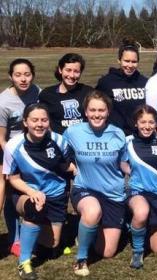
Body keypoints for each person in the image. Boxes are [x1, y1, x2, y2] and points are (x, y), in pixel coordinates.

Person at [4, 104, 73, 280]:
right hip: (26, 193)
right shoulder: (13, 145)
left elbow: (66, 166)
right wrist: (31, 191)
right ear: (25, 122)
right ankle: (24, 262)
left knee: (51, 248)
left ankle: (34, 237)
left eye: (44, 120)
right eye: (34, 120)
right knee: (35, 208)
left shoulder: (59, 141)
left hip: (55, 196)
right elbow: (12, 178)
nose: (39, 124)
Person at [64, 91, 128, 276]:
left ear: (108, 112)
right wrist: (71, 168)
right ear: (85, 111)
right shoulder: (73, 131)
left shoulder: (118, 134)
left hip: (113, 194)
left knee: (106, 252)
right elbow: (59, 152)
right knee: (92, 211)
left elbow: (123, 163)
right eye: (92, 110)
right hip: (85, 188)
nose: (97, 114)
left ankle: (86, 232)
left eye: (101, 110)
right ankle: (81, 258)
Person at [0, 58, 41, 257]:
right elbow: (1, 138)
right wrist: (15, 157)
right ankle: (14, 239)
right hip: (8, 152)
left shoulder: (37, 93)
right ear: (11, 77)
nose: (23, 79)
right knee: (9, 193)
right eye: (18, 75)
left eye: (27, 74)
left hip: (33, 150)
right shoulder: (3, 101)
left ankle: (35, 232)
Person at [123, 105, 157, 269]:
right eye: (143, 122)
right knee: (141, 212)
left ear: (156, 123)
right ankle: (137, 251)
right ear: (136, 123)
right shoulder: (127, 142)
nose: (147, 126)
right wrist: (131, 170)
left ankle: (136, 226)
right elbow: (120, 162)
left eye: (151, 122)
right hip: (138, 190)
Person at [95, 40, 148, 135]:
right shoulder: (106, 82)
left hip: (139, 135)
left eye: (134, 62)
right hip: (115, 135)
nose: (130, 65)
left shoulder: (144, 82)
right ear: (119, 60)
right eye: (126, 61)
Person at [39, 53, 93, 134]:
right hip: (59, 141)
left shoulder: (89, 92)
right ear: (60, 70)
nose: (72, 75)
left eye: (76, 71)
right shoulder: (47, 95)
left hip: (84, 139)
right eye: (68, 70)